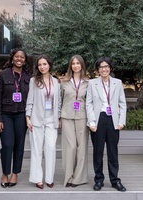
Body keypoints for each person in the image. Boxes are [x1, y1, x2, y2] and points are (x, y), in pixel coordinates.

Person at [86, 57, 127, 192]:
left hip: (113, 120)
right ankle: (99, 180)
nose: (104, 69)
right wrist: (91, 122)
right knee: (98, 152)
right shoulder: (92, 83)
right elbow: (89, 103)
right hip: (99, 119)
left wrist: (121, 121)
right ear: (98, 69)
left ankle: (115, 180)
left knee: (112, 152)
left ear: (110, 68)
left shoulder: (117, 83)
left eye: (106, 66)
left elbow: (122, 104)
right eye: (101, 67)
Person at [0, 48, 32, 188]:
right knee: (7, 144)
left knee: (19, 145)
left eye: (22, 57)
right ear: (12, 58)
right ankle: (5, 173)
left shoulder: (29, 76)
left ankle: (15, 173)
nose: (19, 59)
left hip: (22, 114)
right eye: (17, 56)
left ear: (25, 60)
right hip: (6, 114)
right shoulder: (3, 75)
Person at [26, 55, 61, 189]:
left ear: (49, 65)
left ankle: (49, 178)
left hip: (51, 120)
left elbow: (58, 102)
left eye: (44, 64)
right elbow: (30, 100)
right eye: (40, 65)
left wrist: (58, 118)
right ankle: (37, 178)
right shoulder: (34, 81)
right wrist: (27, 117)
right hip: (36, 119)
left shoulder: (56, 82)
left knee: (51, 148)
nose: (42, 67)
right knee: (36, 150)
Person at [60, 55, 89, 187]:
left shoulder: (89, 83)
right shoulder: (64, 82)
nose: (75, 65)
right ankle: (68, 177)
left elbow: (90, 102)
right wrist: (58, 117)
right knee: (70, 147)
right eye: (73, 63)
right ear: (70, 66)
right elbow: (59, 101)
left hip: (82, 117)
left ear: (82, 65)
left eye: (78, 63)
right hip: (66, 116)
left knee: (81, 148)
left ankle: (78, 178)